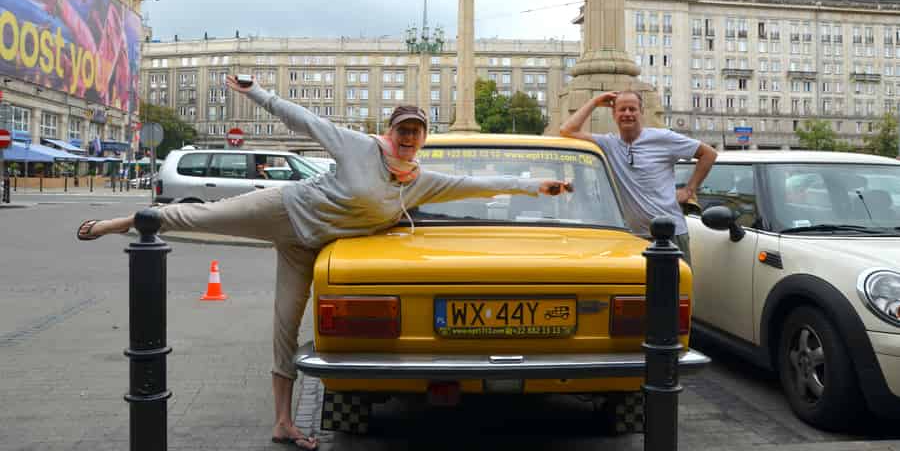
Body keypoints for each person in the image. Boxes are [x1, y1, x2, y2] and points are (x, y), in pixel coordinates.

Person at [76, 76, 573, 450]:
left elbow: (479, 186)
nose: (408, 138)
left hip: (308, 248)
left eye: (417, 131)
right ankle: (125, 222)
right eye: (402, 129)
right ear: (389, 131)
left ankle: (283, 422)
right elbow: (303, 121)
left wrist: (537, 187)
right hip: (286, 209)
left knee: (286, 326)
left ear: (424, 137)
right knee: (208, 215)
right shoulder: (358, 147)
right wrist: (256, 93)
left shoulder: (421, 180)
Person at [559, 90, 716, 264]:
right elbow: (567, 130)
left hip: (670, 234)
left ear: (641, 112)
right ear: (614, 114)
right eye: (622, 109)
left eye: (632, 109)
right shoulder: (608, 143)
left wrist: (689, 189)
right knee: (638, 291)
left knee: (676, 289)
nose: (627, 114)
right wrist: (595, 101)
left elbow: (708, 154)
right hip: (632, 239)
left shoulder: (663, 138)